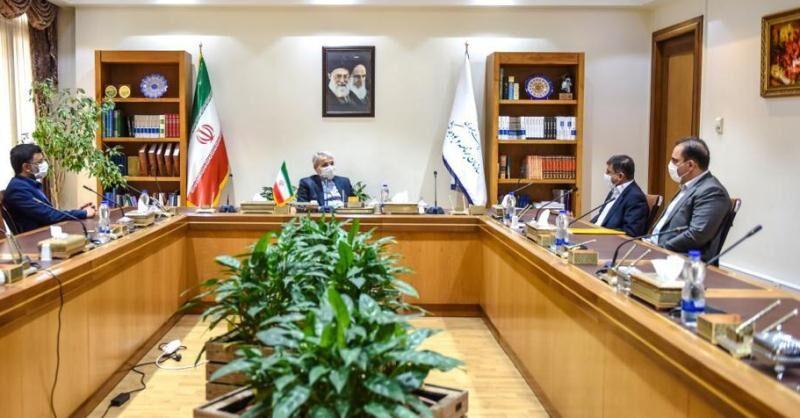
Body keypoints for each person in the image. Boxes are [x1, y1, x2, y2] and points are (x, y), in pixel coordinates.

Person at [649, 137, 731, 261]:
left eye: (675, 161)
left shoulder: (712, 191)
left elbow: (697, 234)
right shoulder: (688, 187)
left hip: (679, 259)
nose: (670, 165)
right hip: (656, 249)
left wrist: (660, 248)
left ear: (690, 165)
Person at [4, 143, 95, 233]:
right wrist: (83, 213)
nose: (44, 164)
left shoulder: (28, 184)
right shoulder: (17, 190)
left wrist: (77, 211)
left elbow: (48, 212)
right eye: (39, 162)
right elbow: (50, 216)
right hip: (36, 238)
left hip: (47, 232)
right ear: (26, 167)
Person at [591, 155, 649, 236]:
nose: (605, 175)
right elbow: (601, 217)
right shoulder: (615, 190)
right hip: (596, 235)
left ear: (620, 176)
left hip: (608, 239)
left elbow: (631, 232)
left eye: (608, 172)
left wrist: (602, 233)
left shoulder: (636, 197)